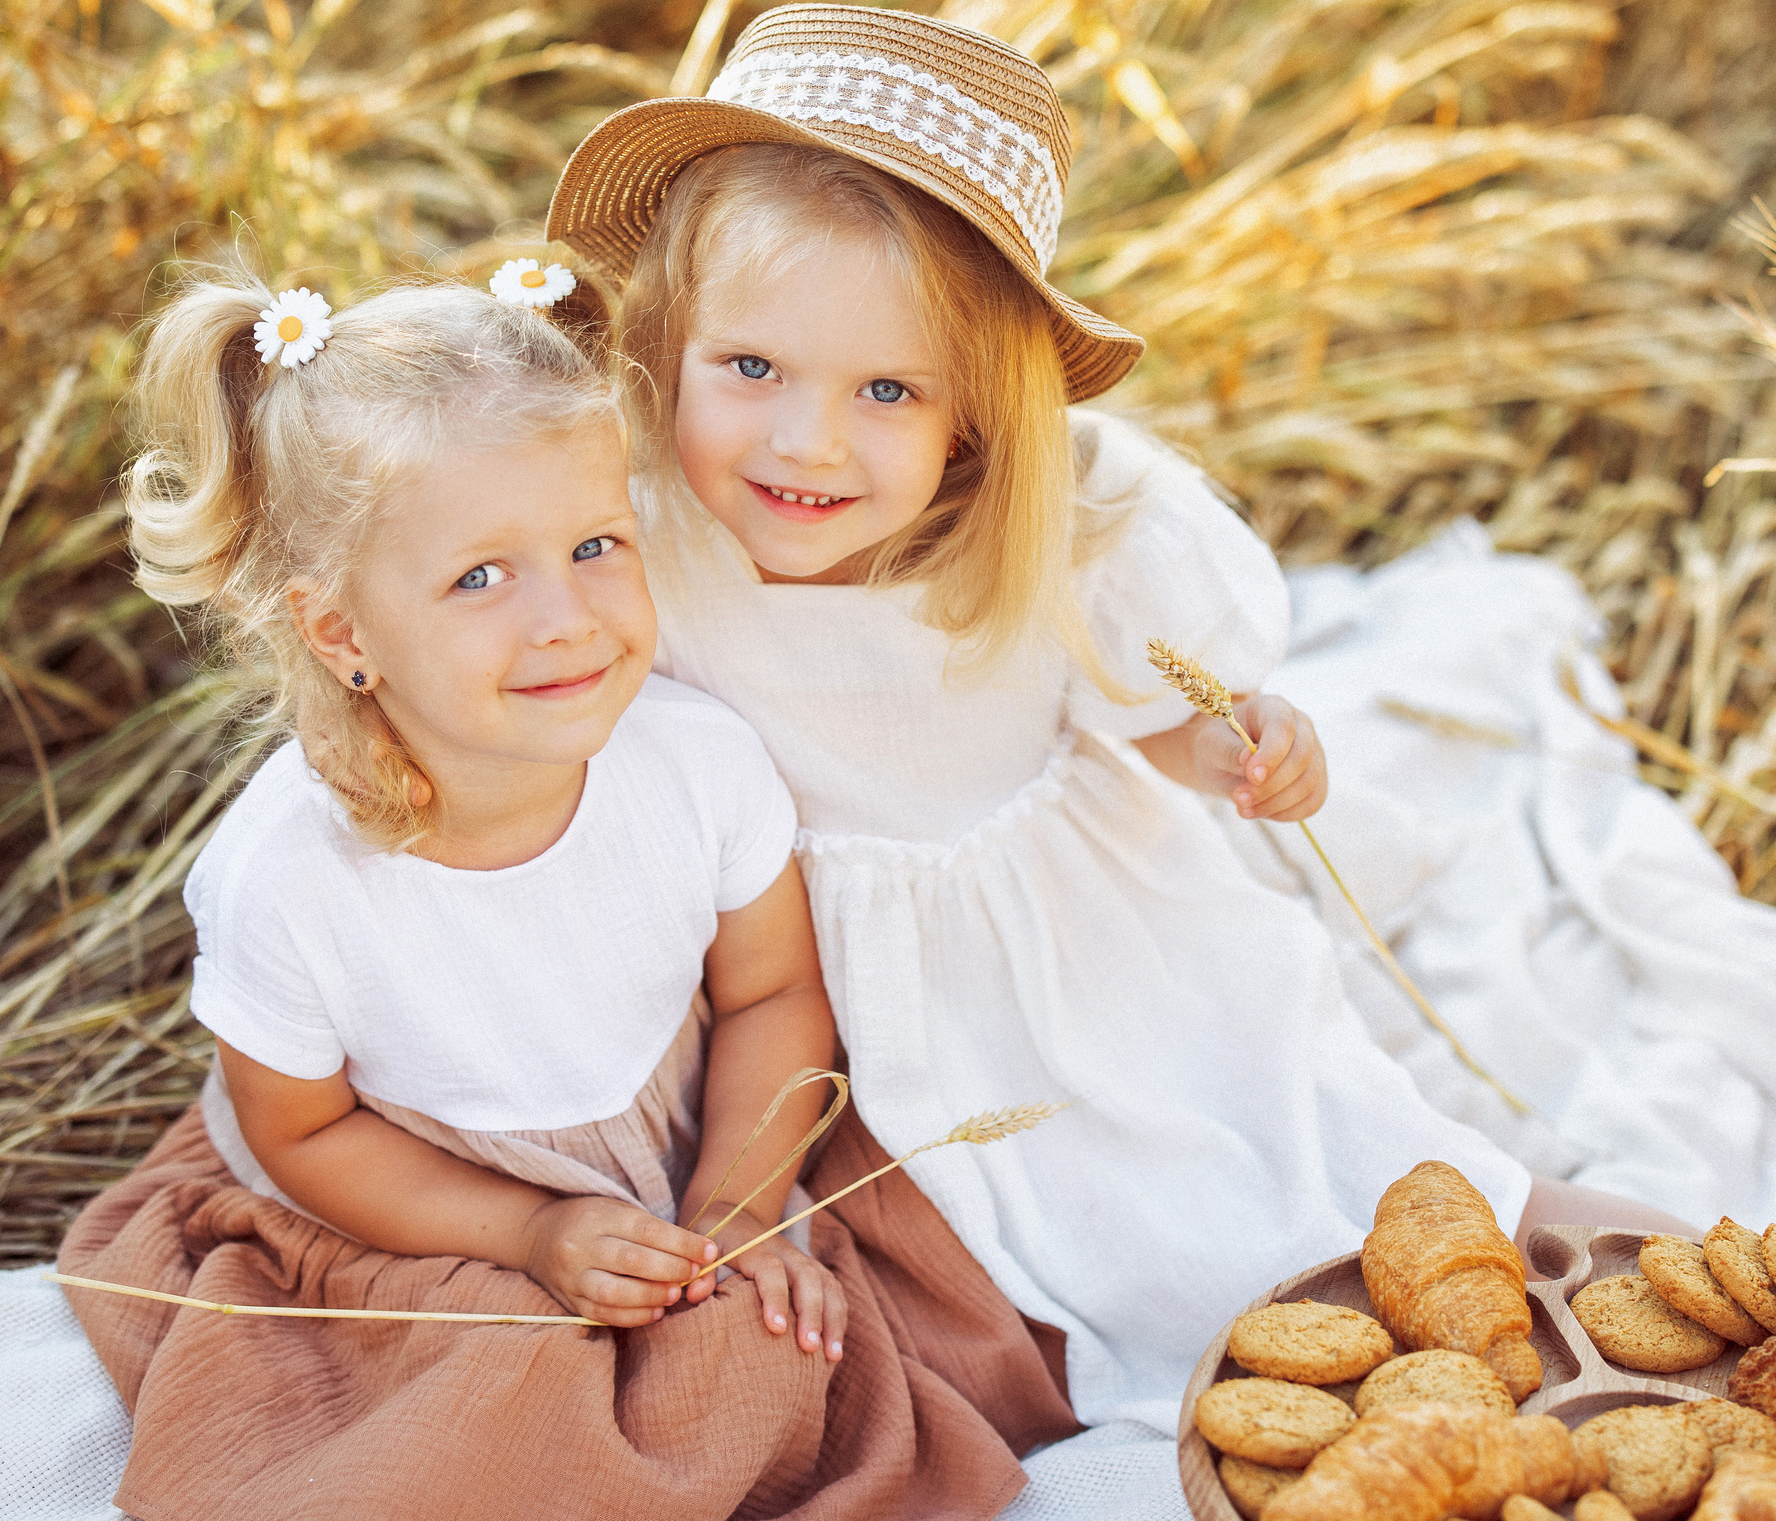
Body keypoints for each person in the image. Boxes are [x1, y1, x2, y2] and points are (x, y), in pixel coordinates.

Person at [541, 4, 1687, 1439]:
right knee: (1074, 1266)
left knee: (1330, 1161)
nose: (805, 441)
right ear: (668, 340)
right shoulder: (630, 528)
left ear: (976, 413)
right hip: (803, 984)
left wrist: (1234, 743)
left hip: (1090, 937)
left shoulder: (1058, 529)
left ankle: (1730, 1302)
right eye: (751, 368)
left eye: (888, 388)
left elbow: (1150, 713)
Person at [56, 267, 1071, 1520]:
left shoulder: (696, 762)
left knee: (813, 1340)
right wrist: (530, 1237)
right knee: (476, 1431)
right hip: (424, 1201)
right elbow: (303, 1132)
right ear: (339, 633)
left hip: (696, 1153)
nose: (567, 620)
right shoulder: (287, 881)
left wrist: (740, 1204)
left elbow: (770, 995)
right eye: (480, 578)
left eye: (596, 547)